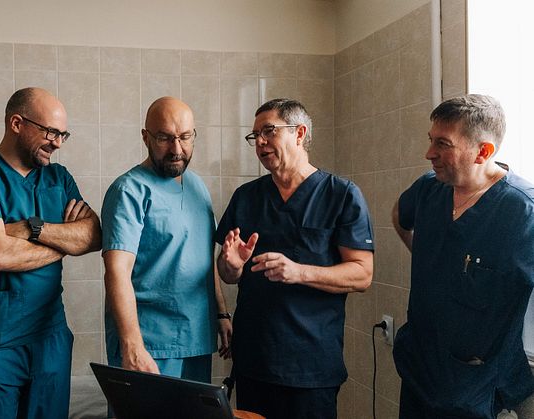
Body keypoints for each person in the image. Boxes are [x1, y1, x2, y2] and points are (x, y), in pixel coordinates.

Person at [215, 98, 374, 419]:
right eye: (254, 135)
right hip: (254, 361)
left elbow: (362, 275)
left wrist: (299, 272)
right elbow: (227, 272)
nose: (259, 142)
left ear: (299, 133)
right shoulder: (246, 198)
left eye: (268, 131)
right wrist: (231, 266)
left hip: (310, 367)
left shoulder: (340, 194)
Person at [0, 87, 101, 418]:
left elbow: (92, 236)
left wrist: (34, 229)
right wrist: (63, 245)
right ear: (16, 123)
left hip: (50, 339)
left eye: (63, 134)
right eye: (51, 132)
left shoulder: (59, 178)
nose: (58, 143)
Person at [392, 94, 534, 418]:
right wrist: (431, 258)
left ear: (483, 151)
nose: (430, 153)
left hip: (475, 387)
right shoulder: (429, 190)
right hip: (418, 372)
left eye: (443, 144)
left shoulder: (522, 212)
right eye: (431, 141)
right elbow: (400, 216)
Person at [102, 97, 232, 384]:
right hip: (150, 342)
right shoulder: (129, 190)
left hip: (197, 335)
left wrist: (221, 313)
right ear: (146, 137)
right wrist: (132, 345)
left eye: (185, 138)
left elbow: (202, 256)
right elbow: (116, 272)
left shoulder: (197, 187)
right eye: (164, 138)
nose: (177, 149)